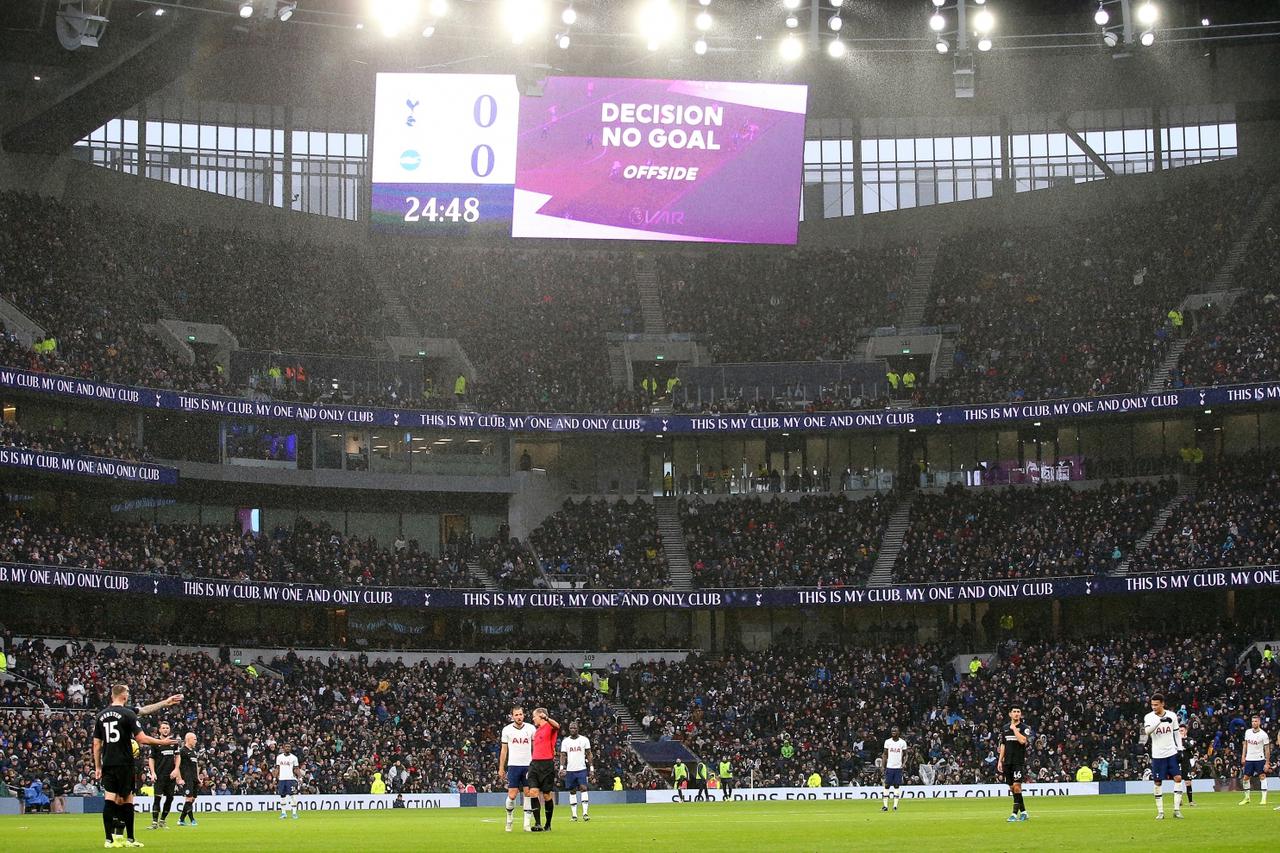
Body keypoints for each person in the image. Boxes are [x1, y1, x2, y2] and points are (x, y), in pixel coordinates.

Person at [93, 683, 181, 849]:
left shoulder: (101, 715)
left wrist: (98, 766)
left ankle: (109, 840)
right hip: (125, 763)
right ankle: (131, 839)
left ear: (112, 696)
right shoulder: (127, 714)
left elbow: (97, 744)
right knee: (127, 800)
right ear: (124, 696)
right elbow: (141, 739)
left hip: (108, 762)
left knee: (110, 799)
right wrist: (162, 742)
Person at [1142, 693, 1184, 820]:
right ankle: (1160, 812)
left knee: (1178, 778)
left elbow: (1176, 734)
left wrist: (1180, 749)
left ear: (1162, 704)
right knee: (1158, 782)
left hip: (1171, 753)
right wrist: (1159, 721)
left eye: (1156, 705)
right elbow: (1147, 732)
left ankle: (1176, 810)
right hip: (1158, 755)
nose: (1154, 707)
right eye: (1152, 705)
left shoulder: (1172, 715)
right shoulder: (1149, 717)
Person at [498, 705, 534, 833]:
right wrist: (501, 768)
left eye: (521, 714)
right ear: (512, 716)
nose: (519, 717)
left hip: (528, 766)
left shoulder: (531, 728)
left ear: (524, 715)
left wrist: (535, 764)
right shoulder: (507, 730)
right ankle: (509, 819)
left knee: (528, 794)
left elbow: (535, 748)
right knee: (512, 795)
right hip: (513, 766)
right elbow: (504, 750)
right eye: (516, 715)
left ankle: (526, 824)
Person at [527, 708, 560, 832]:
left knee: (546, 795)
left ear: (541, 716)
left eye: (534, 716)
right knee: (533, 792)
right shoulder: (536, 731)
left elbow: (557, 726)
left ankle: (548, 824)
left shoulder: (550, 727)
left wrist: (546, 718)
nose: (533, 718)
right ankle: (537, 823)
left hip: (547, 764)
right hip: (535, 764)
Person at [997, 706, 1030, 823]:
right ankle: (1024, 812)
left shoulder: (1025, 728)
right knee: (1013, 789)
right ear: (1010, 714)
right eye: (1014, 712)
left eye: (1018, 712)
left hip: (1018, 762)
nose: (1016, 714)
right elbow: (1003, 745)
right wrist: (1000, 761)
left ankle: (1014, 814)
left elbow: (1023, 741)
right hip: (1007, 762)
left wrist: (1015, 729)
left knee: (1017, 787)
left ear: (1020, 714)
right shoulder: (1005, 728)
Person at [147, 722, 179, 829]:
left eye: (167, 728)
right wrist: (153, 773)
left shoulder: (174, 742)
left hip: (170, 775)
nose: (165, 729)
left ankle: (162, 820)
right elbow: (151, 758)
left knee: (170, 798)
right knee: (157, 798)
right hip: (159, 775)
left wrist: (176, 769)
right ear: (159, 730)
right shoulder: (155, 743)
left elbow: (178, 757)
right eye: (163, 728)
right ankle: (154, 822)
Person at [559, 721, 593, 822]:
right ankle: (574, 815)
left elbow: (589, 754)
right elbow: (563, 755)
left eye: (574, 728)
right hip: (570, 770)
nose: (573, 729)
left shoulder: (584, 740)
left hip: (581, 769)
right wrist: (561, 767)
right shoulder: (565, 741)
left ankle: (585, 813)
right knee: (572, 791)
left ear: (578, 728)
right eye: (571, 728)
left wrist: (591, 768)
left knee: (583, 788)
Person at [1238, 715, 1270, 806]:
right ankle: (1247, 798)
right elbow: (1245, 745)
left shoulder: (1264, 735)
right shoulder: (1248, 732)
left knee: (1262, 777)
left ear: (1259, 722)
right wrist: (1243, 756)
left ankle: (1263, 799)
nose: (1254, 723)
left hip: (1259, 759)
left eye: (1256, 721)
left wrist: (1267, 762)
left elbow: (1267, 749)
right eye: (1252, 721)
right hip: (1249, 759)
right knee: (1245, 778)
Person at [174, 732, 200, 827]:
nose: (196, 741)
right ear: (188, 739)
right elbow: (177, 765)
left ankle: (181, 819)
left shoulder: (193, 751)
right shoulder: (182, 751)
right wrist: (179, 778)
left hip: (194, 778)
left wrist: (198, 777)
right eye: (194, 739)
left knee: (192, 799)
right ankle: (192, 820)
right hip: (187, 778)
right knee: (188, 799)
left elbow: (196, 765)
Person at [882, 726, 908, 812]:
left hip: (898, 767)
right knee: (887, 785)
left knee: (897, 786)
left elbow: (906, 754)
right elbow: (885, 754)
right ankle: (885, 806)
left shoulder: (902, 742)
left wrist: (903, 764)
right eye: (892, 731)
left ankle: (895, 806)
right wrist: (883, 766)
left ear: (898, 732)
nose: (893, 733)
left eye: (895, 731)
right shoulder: (887, 742)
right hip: (889, 767)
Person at [276, 742, 301, 820]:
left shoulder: (294, 758)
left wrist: (299, 777)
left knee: (292, 796)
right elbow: (278, 768)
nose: (287, 748)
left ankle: (294, 813)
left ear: (290, 748)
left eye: (289, 747)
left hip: (290, 779)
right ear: (283, 748)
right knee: (282, 796)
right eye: (286, 747)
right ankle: (283, 813)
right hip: (282, 779)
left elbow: (296, 769)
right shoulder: (279, 757)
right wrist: (275, 778)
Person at [1176, 725, 1196, 807]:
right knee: (1178, 781)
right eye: (1179, 731)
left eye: (1182, 730)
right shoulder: (1176, 740)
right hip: (1178, 762)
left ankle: (1190, 801)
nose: (1180, 732)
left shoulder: (1190, 739)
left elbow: (1190, 746)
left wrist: (1182, 741)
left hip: (1187, 762)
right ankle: (1179, 800)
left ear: (1186, 731)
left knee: (1188, 782)